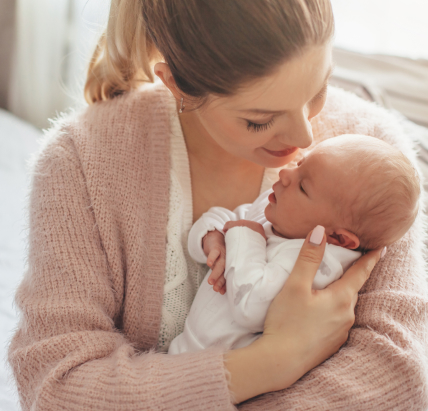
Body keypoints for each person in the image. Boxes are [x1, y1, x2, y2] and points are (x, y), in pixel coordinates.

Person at [7, 0, 428, 409]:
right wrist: (273, 363)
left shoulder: (373, 153)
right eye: (259, 120)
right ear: (175, 84)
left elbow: (399, 377)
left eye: (319, 89)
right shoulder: (81, 163)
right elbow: (58, 387)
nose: (304, 137)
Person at [168, 134, 420, 355]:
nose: (285, 174)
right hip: (184, 350)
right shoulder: (277, 214)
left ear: (338, 239)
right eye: (300, 164)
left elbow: (250, 307)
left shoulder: (317, 265)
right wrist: (211, 237)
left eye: (303, 186)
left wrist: (246, 236)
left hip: (223, 372)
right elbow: (225, 217)